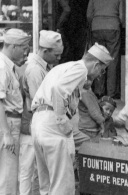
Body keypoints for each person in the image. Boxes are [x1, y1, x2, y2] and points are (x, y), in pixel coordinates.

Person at [30, 43, 112, 195]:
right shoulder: (81, 69)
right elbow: (58, 90)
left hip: (39, 120)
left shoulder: (65, 67)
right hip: (53, 121)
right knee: (63, 188)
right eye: (102, 69)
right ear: (95, 65)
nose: (101, 74)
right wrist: (62, 121)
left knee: (47, 186)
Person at [19, 30, 63, 195]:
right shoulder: (35, 70)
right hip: (36, 124)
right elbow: (40, 103)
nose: (58, 59)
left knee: (40, 171)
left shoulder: (43, 67)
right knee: (35, 172)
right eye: (56, 55)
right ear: (45, 51)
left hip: (39, 125)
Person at [0, 28, 31, 195]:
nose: (25, 52)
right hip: (8, 123)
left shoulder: (8, 66)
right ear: (12, 46)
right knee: (8, 176)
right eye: (23, 47)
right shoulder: (2, 66)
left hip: (10, 122)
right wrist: (6, 133)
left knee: (8, 174)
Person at [87, 0, 123, 99]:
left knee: (98, 58)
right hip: (113, 27)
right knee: (112, 59)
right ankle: (111, 93)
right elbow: (122, 17)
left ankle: (98, 91)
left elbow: (89, 16)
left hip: (97, 27)